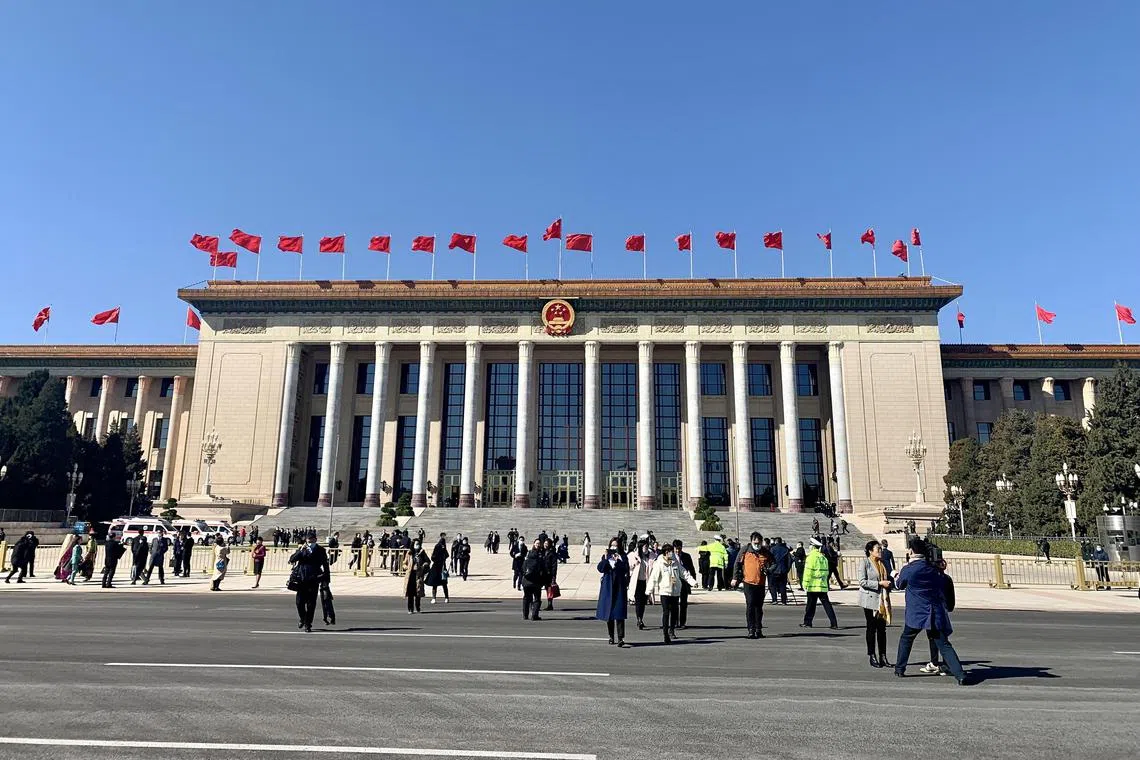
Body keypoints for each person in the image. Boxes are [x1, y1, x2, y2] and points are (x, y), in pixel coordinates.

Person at [894, 537, 968, 685]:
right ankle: (960, 675)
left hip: (917, 612)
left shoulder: (909, 569)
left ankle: (900, 668)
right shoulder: (934, 569)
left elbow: (899, 584)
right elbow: (944, 582)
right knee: (944, 645)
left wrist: (894, 575)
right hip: (935, 612)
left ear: (911, 551)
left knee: (906, 639)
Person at [647, 543, 697, 644]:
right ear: (665, 553)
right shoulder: (659, 563)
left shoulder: (675, 562)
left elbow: (684, 573)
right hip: (665, 591)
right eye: (670, 552)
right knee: (666, 612)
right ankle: (665, 634)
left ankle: (672, 630)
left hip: (675, 591)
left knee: (674, 613)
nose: (671, 554)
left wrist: (692, 582)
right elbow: (653, 577)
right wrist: (649, 590)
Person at [859, 540, 893, 668]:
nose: (880, 551)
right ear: (870, 551)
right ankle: (872, 655)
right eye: (877, 549)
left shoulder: (882, 563)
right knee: (871, 628)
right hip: (870, 600)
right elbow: (862, 581)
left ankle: (883, 656)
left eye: (880, 549)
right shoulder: (865, 563)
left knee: (882, 629)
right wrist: (879, 584)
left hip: (882, 600)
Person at [732, 532, 774, 639]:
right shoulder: (745, 550)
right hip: (748, 582)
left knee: (759, 607)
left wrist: (768, 570)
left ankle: (758, 628)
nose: (757, 544)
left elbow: (774, 563)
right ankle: (751, 629)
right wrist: (735, 578)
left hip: (760, 583)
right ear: (751, 541)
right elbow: (737, 564)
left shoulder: (765, 552)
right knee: (750, 605)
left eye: (759, 542)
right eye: (755, 542)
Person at [288, 531, 330, 632]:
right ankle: (303, 618)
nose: (309, 541)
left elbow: (325, 565)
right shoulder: (302, 549)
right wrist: (300, 551)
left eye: (311, 539)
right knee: (299, 602)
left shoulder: (321, 550)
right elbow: (292, 559)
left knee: (311, 604)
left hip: (314, 578)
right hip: (301, 578)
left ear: (315, 539)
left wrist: (327, 579)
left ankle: (308, 624)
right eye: (308, 540)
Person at [596, 538, 630, 647]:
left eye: (616, 546)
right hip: (608, 587)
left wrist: (619, 560)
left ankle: (621, 638)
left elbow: (625, 569)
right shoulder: (606, 556)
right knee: (609, 614)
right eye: (612, 546)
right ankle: (611, 636)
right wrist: (606, 558)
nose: (613, 548)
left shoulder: (623, 557)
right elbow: (600, 568)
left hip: (619, 587)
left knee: (619, 614)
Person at [799, 538, 839, 629]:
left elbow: (808, 572)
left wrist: (804, 584)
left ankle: (807, 622)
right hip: (822, 585)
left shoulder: (811, 557)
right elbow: (826, 572)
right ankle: (834, 623)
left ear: (812, 547)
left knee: (810, 605)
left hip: (813, 586)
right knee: (827, 605)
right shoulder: (823, 558)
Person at [521, 539, 547, 621]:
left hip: (527, 580)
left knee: (526, 598)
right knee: (537, 599)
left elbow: (523, 567)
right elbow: (543, 569)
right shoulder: (540, 556)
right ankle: (534, 615)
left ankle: (525, 615)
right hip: (536, 581)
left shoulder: (528, 554)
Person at [630, 541, 655, 628]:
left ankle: (640, 618)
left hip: (646, 582)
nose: (646, 548)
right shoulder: (634, 555)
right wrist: (634, 564)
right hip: (637, 582)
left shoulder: (651, 556)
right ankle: (639, 619)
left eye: (647, 546)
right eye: (645, 546)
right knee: (638, 602)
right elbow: (628, 567)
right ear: (640, 547)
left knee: (643, 602)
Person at [672, 539, 696, 629]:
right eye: (676, 549)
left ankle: (682, 622)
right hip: (674, 580)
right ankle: (674, 622)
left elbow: (691, 569)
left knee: (683, 603)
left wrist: (693, 581)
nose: (677, 551)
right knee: (674, 603)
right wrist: (672, 583)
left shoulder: (686, 556)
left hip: (684, 582)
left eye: (679, 548)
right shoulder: (670, 557)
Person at [403, 539, 430, 613]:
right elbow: (404, 563)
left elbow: (428, 561)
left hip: (418, 574)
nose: (417, 545)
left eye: (418, 544)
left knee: (418, 592)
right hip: (410, 575)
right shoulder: (409, 553)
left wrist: (424, 565)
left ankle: (418, 607)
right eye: (416, 544)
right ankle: (410, 608)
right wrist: (406, 567)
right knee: (410, 593)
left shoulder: (422, 553)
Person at [767, 537, 791, 605]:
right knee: (783, 586)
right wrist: (787, 569)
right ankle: (783, 601)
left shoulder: (772, 549)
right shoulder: (785, 549)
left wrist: (769, 568)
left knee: (772, 586)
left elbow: (769, 559)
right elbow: (789, 561)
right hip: (783, 570)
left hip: (774, 570)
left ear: (776, 542)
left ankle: (774, 599)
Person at [427, 536, 450, 604]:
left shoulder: (440, 547)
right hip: (439, 567)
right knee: (441, 584)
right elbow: (446, 555)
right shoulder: (440, 547)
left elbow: (434, 557)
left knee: (439, 583)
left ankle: (438, 598)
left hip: (439, 567)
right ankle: (443, 598)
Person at [543, 537, 559, 611]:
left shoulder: (552, 553)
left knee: (549, 589)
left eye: (547, 544)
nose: (545, 545)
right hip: (542, 573)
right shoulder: (542, 551)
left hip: (549, 574)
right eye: (545, 543)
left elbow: (554, 566)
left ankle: (550, 604)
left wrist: (553, 576)